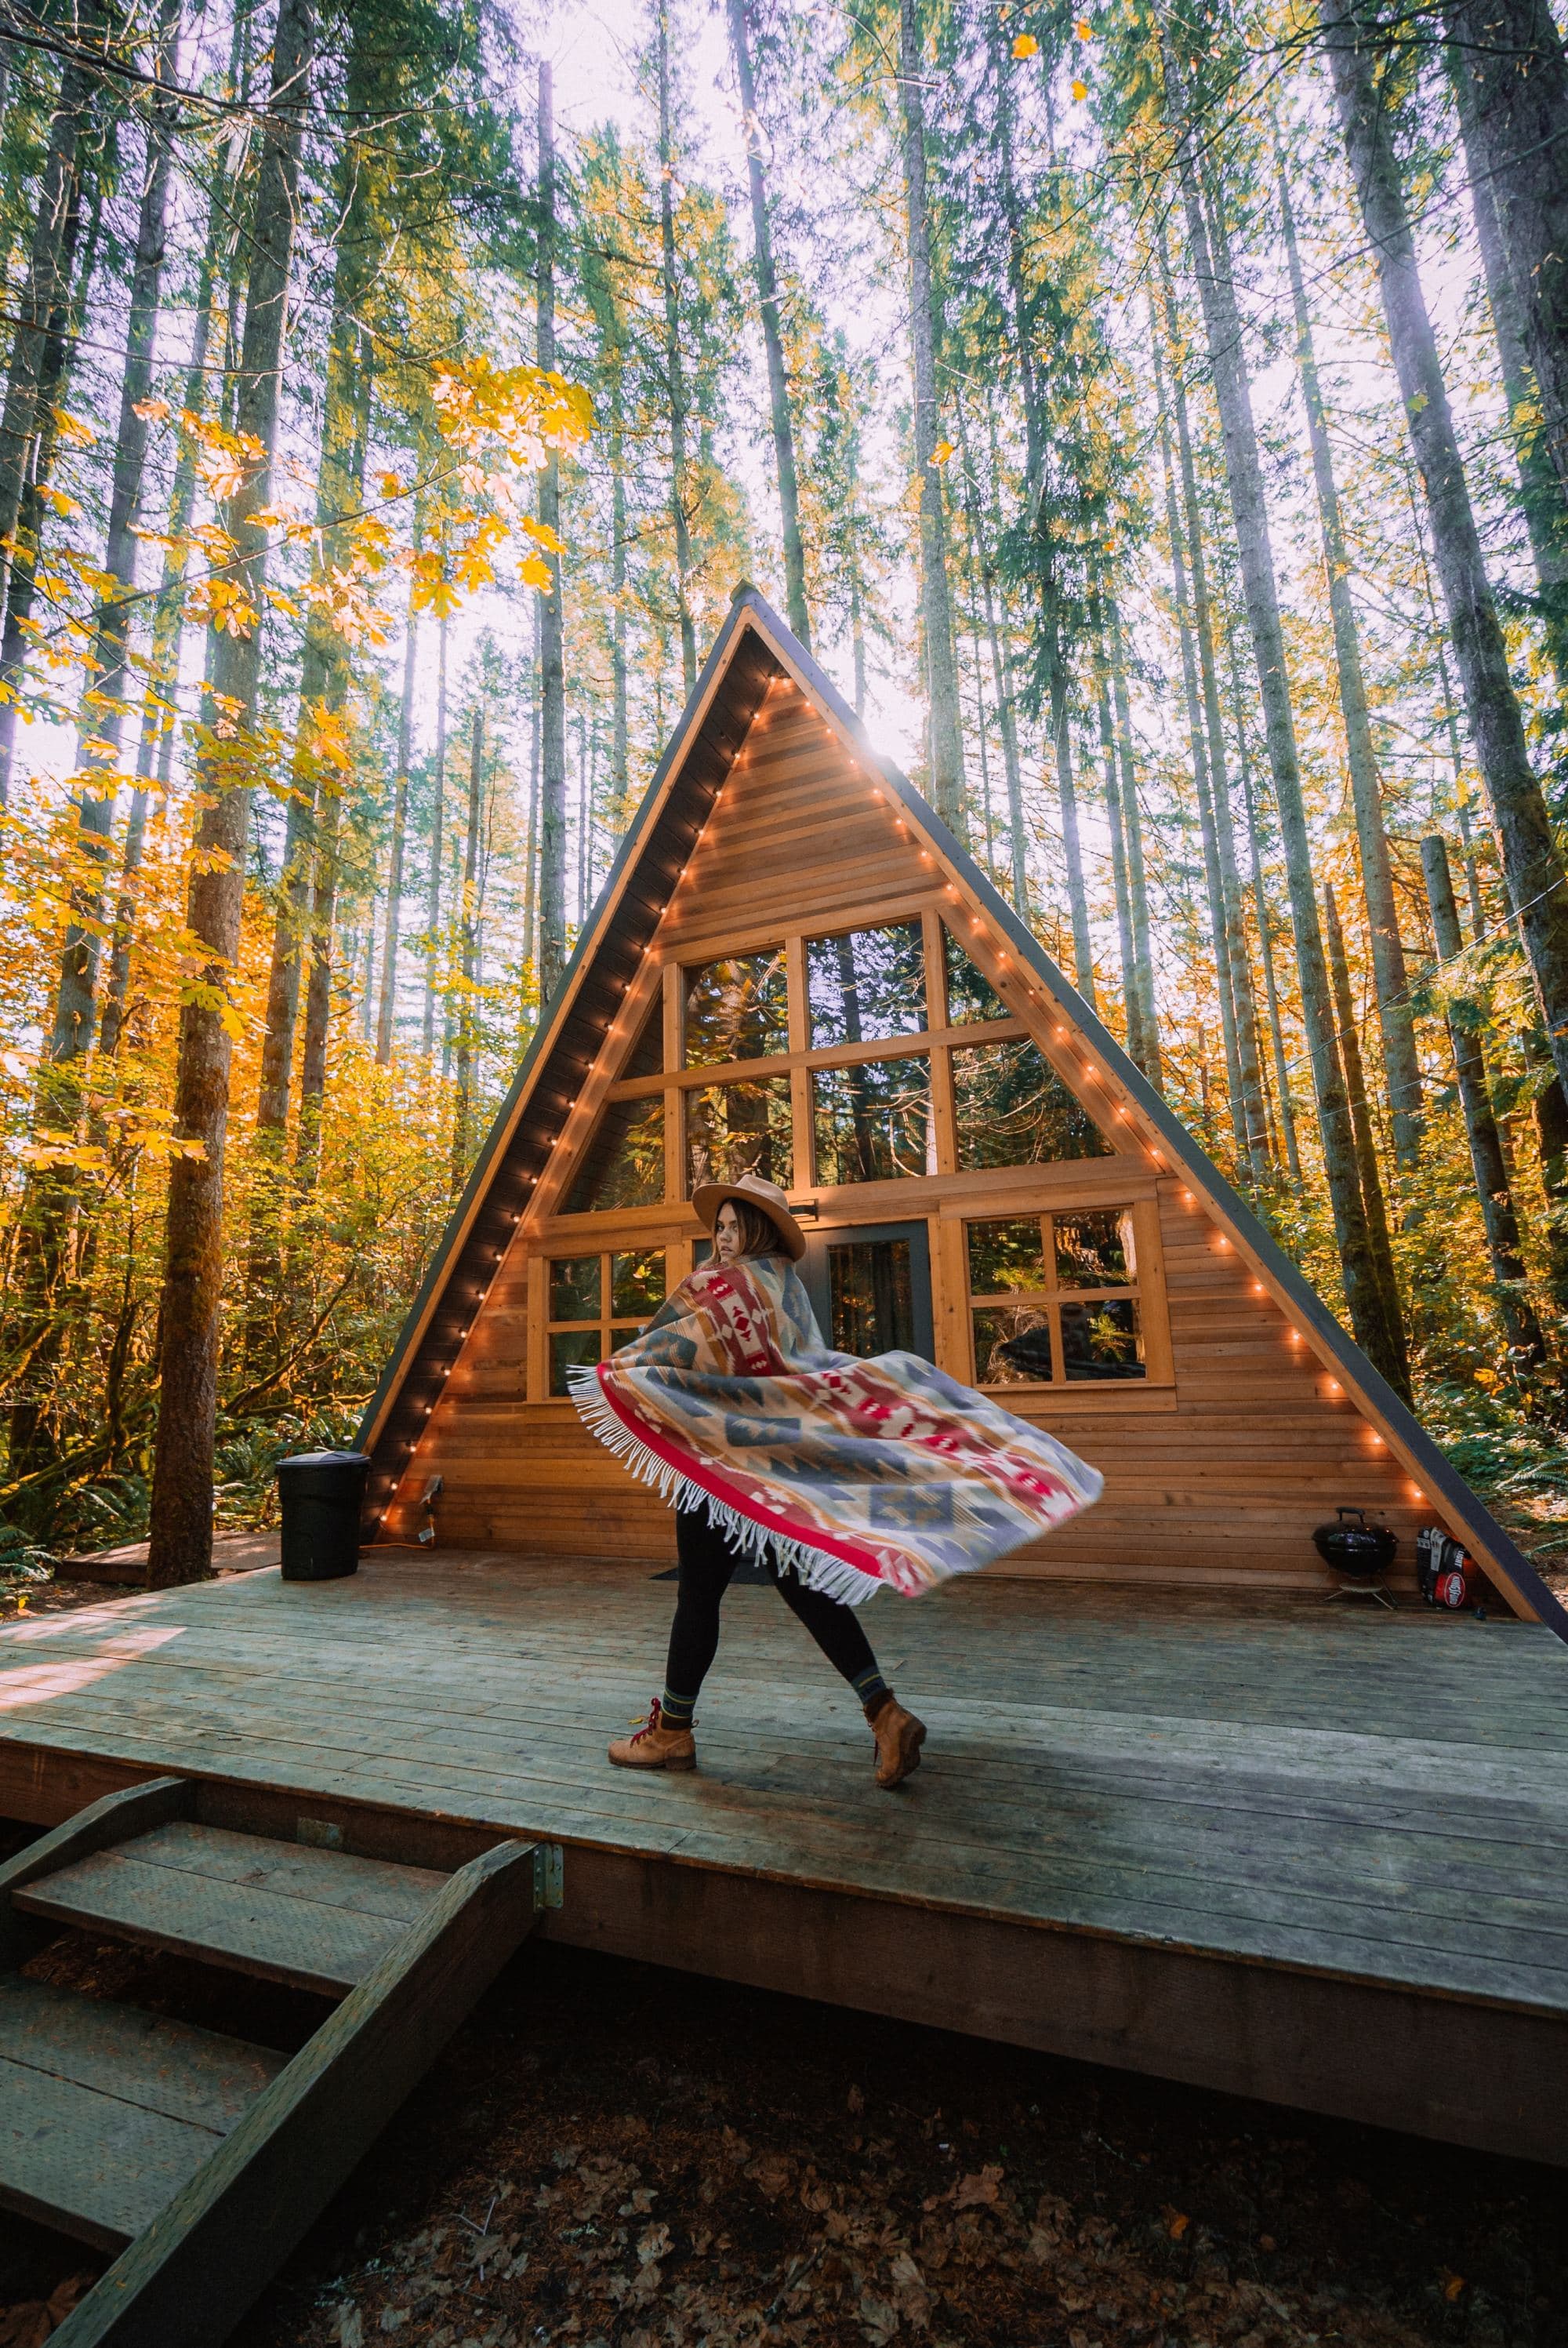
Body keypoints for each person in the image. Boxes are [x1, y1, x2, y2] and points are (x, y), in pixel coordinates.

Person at [570, 1171, 1102, 1790]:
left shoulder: (715, 1288)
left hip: (725, 1461)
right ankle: (884, 1714)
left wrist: (618, 1374)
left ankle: (673, 1733)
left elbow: (662, 1353)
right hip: (783, 1462)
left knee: (700, 1594)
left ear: (757, 1229)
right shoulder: (784, 1287)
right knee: (799, 1583)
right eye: (717, 1228)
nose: (721, 1238)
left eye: (733, 1226)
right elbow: (798, 1367)